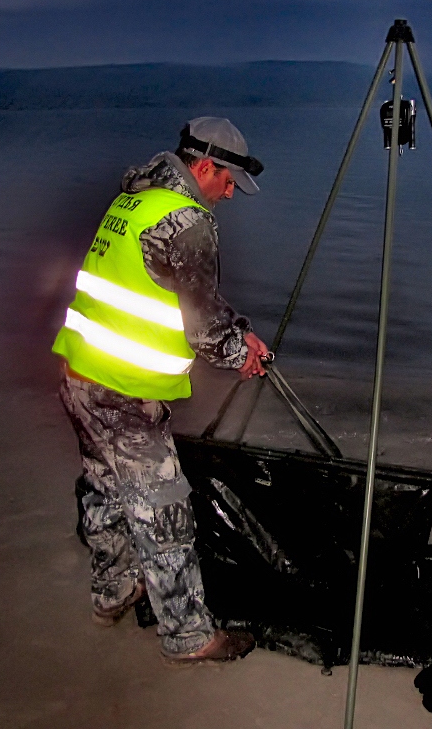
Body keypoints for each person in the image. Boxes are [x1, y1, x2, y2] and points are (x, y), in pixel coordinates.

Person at [52, 117, 270, 662]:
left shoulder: (133, 200)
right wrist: (242, 351)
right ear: (204, 167)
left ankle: (112, 592)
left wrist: (233, 336)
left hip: (80, 376)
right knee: (164, 508)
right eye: (228, 181)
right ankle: (190, 637)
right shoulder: (187, 222)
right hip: (123, 393)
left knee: (104, 490)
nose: (229, 194)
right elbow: (204, 327)